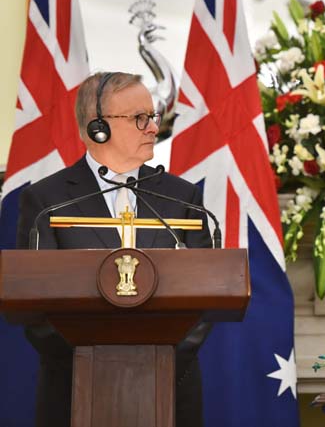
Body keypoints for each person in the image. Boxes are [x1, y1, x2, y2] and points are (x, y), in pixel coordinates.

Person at [15, 71, 211, 427]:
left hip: (171, 389)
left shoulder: (184, 198)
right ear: (98, 128)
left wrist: (157, 359)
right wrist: (96, 362)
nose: (153, 127)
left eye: (152, 117)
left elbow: (206, 300)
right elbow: (34, 310)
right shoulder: (45, 201)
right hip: (73, 393)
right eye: (140, 118)